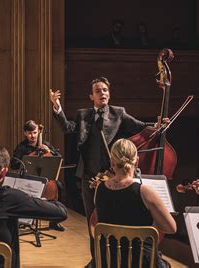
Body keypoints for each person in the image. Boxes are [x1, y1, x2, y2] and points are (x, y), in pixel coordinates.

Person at [49, 77, 151, 268]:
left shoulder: (119, 113)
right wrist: (57, 107)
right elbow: (67, 128)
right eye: (98, 90)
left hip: (113, 177)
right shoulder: (83, 115)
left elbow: (141, 127)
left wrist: (158, 124)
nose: (102, 93)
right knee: (92, 222)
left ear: (109, 93)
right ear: (91, 96)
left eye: (105, 90)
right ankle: (97, 260)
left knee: (113, 219)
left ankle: (115, 260)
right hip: (90, 178)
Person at [94, 139, 176, 268]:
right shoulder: (145, 192)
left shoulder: (100, 189)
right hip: (140, 263)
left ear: (112, 162)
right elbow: (171, 228)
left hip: (109, 262)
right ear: (136, 161)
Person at [12, 119, 64, 231]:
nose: (32, 136)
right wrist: (31, 155)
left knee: (58, 186)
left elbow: (59, 158)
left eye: (35, 133)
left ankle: (54, 222)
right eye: (30, 133)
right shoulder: (21, 147)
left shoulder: (46, 144)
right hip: (28, 178)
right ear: (25, 133)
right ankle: (24, 220)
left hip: (44, 177)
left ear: (38, 132)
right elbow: (14, 164)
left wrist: (49, 150)